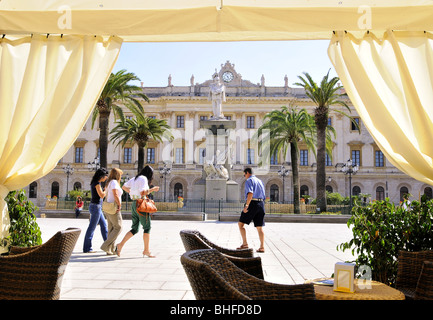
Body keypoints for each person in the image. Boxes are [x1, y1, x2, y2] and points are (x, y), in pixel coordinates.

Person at [116, 165, 160, 258]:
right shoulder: (144, 179)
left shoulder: (135, 178)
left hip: (134, 204)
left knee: (135, 229)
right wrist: (153, 189)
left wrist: (132, 193)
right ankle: (146, 250)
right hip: (141, 205)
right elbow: (143, 192)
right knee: (147, 227)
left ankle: (120, 245)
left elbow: (124, 186)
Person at [238, 167, 266, 253]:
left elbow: (250, 193)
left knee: (241, 224)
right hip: (261, 204)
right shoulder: (260, 181)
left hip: (252, 203)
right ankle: (262, 247)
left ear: (247, 173)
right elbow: (264, 195)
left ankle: (245, 244)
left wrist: (246, 206)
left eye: (244, 174)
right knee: (259, 227)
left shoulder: (249, 181)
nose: (244, 176)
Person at [83, 168, 109, 253]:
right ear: (101, 176)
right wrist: (106, 190)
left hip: (97, 207)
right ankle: (87, 248)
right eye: (106, 176)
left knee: (104, 226)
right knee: (92, 228)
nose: (106, 177)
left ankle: (107, 245)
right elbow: (101, 195)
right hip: (96, 207)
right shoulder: (97, 184)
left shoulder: (97, 183)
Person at [100, 168, 123, 255]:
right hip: (113, 207)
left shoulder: (109, 182)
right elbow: (115, 194)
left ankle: (111, 249)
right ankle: (105, 245)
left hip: (108, 207)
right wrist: (119, 204)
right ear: (117, 175)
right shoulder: (114, 182)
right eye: (120, 174)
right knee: (118, 227)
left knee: (112, 228)